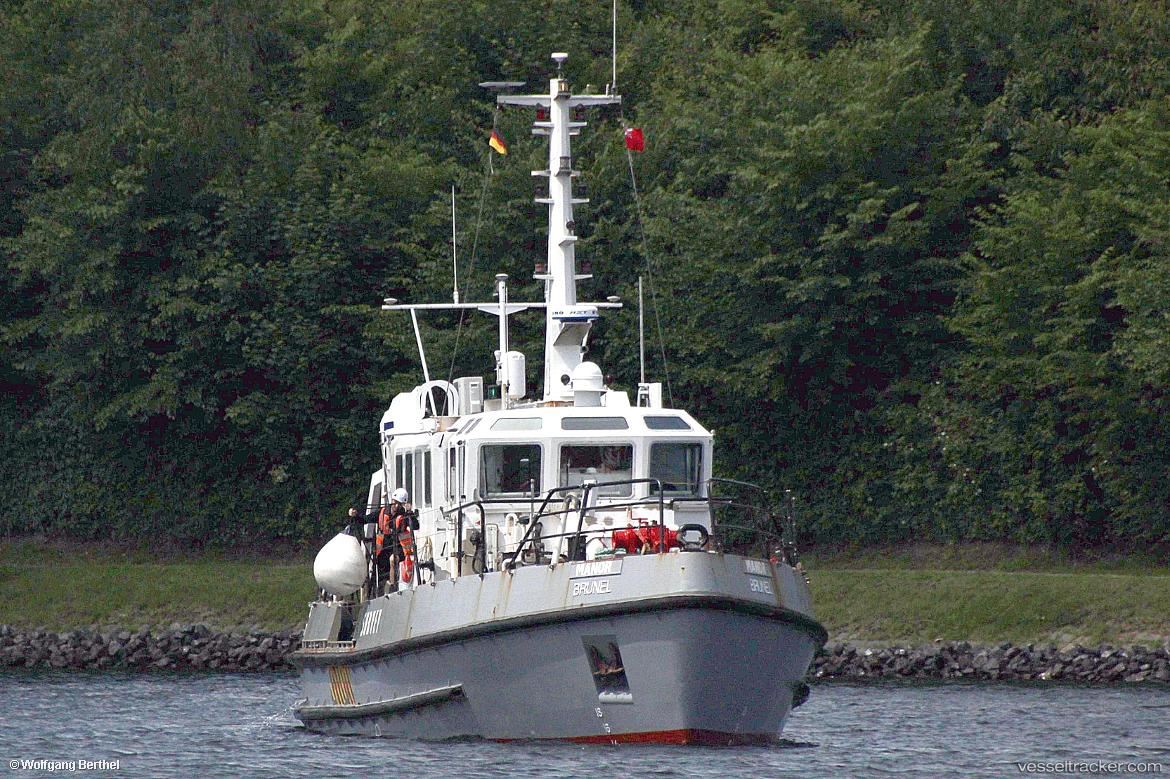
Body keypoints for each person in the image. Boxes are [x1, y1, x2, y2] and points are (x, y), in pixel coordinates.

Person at [376, 488, 418, 593]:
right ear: (392, 501)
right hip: (383, 549)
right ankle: (380, 587)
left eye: (400, 504)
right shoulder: (383, 512)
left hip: (400, 549)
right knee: (380, 564)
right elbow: (366, 518)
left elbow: (416, 526)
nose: (396, 506)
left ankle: (393, 586)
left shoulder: (405, 515)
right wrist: (355, 515)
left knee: (393, 559)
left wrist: (410, 513)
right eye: (395, 503)